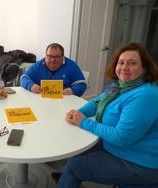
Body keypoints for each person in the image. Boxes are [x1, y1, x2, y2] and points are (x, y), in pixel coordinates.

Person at [58, 42, 158, 188]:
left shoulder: (146, 95)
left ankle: (70, 176)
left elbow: (121, 137)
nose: (124, 67)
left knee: (75, 165)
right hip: (114, 147)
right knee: (75, 151)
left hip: (138, 163)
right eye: (121, 62)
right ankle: (67, 177)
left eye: (132, 63)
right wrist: (79, 113)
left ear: (144, 68)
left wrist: (83, 122)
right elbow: (96, 102)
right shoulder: (118, 86)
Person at [20, 43, 86, 96]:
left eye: (56, 57)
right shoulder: (38, 65)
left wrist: (73, 90)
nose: (53, 60)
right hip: (41, 101)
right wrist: (31, 86)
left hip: (65, 102)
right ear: (46, 55)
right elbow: (24, 78)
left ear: (62, 57)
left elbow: (82, 84)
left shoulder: (71, 66)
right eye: (50, 56)